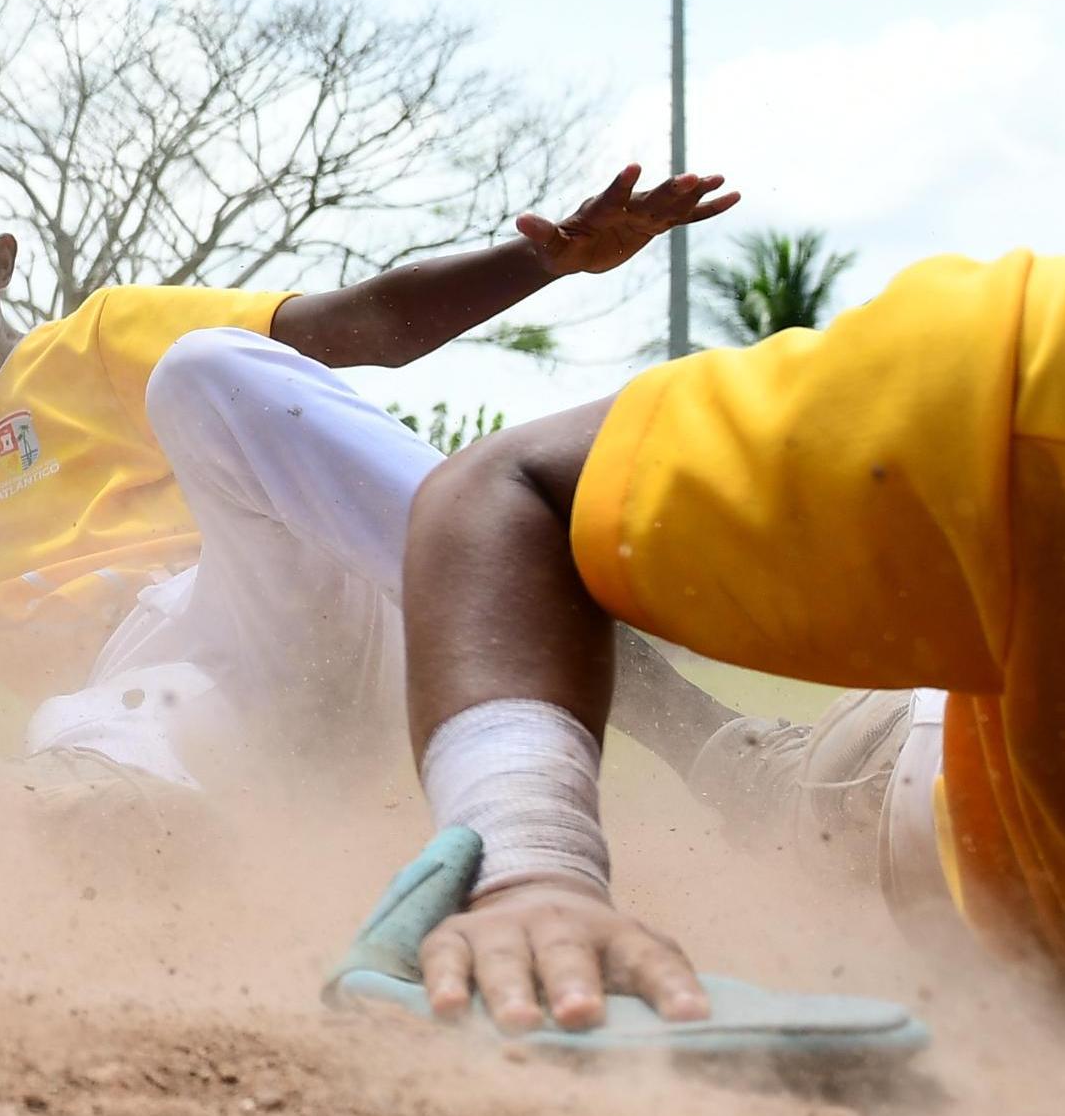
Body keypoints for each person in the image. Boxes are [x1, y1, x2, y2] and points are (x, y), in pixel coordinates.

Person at [0, 125, 743, 799]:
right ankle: (156, 852)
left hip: (291, 625)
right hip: (186, 733)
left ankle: (727, 753)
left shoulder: (93, 342)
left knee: (208, 366)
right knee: (79, 733)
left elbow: (362, 327)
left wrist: (544, 263)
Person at [373, 251, 1065, 1037]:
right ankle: (690, 720)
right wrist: (530, 861)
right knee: (783, 788)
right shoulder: (1029, 371)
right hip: (912, 791)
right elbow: (507, 482)